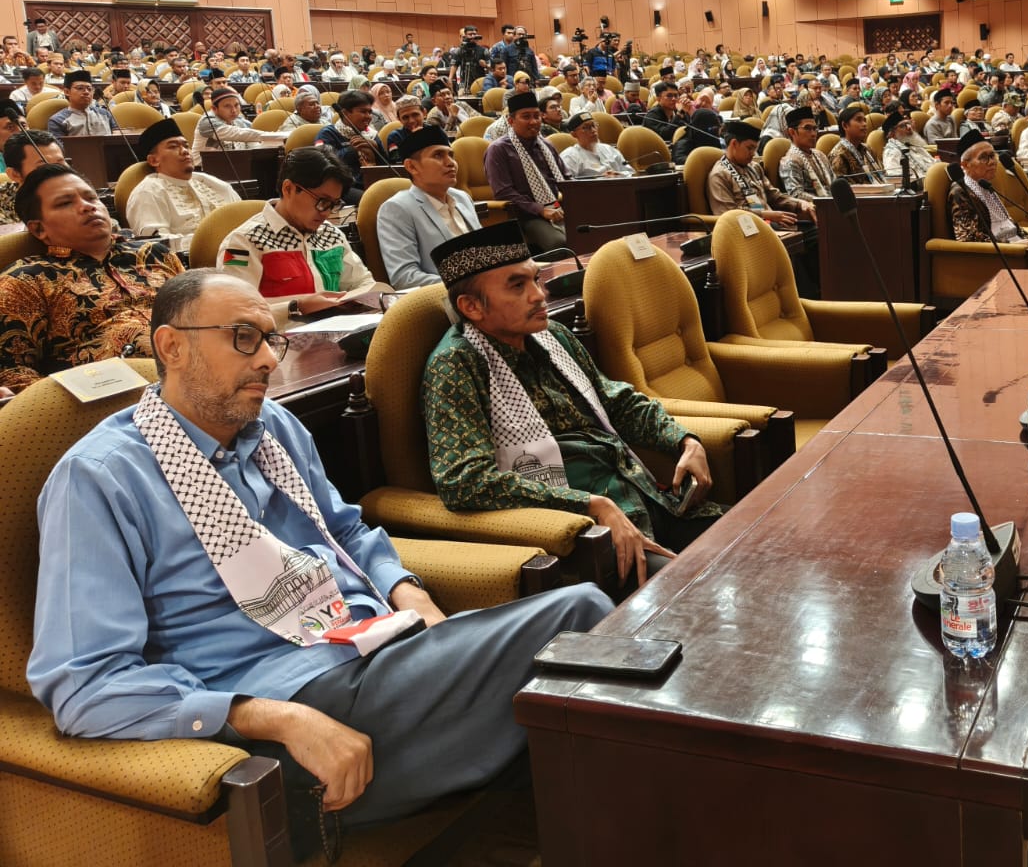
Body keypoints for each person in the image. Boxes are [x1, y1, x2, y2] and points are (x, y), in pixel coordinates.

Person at [27, 269, 610, 857]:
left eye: (270, 339)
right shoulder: (100, 478)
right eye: (243, 338)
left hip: (372, 645)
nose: (267, 361)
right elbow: (85, 685)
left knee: (562, 699)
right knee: (578, 619)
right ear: (171, 346)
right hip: (286, 695)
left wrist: (412, 595)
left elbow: (344, 531)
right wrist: (278, 720)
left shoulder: (272, 426)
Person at [422, 224, 725, 588]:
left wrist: (684, 440)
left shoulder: (553, 335)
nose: (539, 295)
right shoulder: (457, 364)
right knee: (694, 588)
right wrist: (587, 505)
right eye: (517, 286)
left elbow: (616, 402)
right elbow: (464, 481)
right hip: (582, 537)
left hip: (642, 495)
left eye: (536, 280)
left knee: (752, 542)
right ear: (471, 306)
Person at [0, 165, 183, 392]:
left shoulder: (155, 254)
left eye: (91, 198)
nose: (87, 206)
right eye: (65, 203)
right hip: (110, 398)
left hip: (198, 368)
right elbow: (12, 373)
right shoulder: (25, 281)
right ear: (39, 229)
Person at [217, 147, 378, 327]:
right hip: (277, 341)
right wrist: (296, 307)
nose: (327, 213)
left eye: (334, 204)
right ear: (288, 189)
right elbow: (236, 314)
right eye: (322, 202)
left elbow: (363, 283)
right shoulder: (245, 242)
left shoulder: (331, 234)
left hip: (338, 335)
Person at [375, 126, 482, 289]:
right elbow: (404, 277)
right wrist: (468, 285)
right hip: (446, 296)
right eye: (438, 155)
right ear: (412, 167)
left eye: (451, 155)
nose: (450, 163)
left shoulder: (462, 198)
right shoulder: (397, 209)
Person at [125, 118, 241, 253]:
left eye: (186, 146)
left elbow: (245, 218)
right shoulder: (148, 192)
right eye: (173, 146)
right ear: (154, 160)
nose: (185, 151)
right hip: (192, 263)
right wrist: (209, 242)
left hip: (237, 256)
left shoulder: (210, 182)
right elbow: (156, 245)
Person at [484, 89, 568, 252]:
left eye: (536, 116)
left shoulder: (546, 145)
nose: (533, 121)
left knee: (594, 229)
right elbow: (504, 192)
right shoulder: (498, 149)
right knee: (560, 243)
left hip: (557, 206)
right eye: (526, 117)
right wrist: (540, 210)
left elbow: (566, 178)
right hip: (524, 215)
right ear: (511, 121)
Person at [951, 130, 1028, 247]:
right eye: (983, 158)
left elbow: (1011, 226)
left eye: (992, 156)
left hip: (1022, 248)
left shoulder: (986, 185)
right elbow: (969, 239)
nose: (992, 162)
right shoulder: (961, 192)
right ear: (965, 165)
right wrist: (1013, 245)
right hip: (1006, 253)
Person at [708, 121, 813, 225]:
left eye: (755, 149)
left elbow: (774, 196)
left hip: (772, 224)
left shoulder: (754, 167)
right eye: (749, 148)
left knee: (816, 226)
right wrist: (765, 215)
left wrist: (800, 203)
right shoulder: (720, 175)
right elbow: (728, 216)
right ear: (734, 144)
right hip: (747, 229)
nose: (753, 154)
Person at [316, 90, 390, 192]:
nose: (368, 117)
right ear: (345, 113)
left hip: (375, 184)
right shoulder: (328, 133)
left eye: (369, 112)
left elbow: (388, 168)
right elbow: (324, 165)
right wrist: (352, 150)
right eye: (363, 112)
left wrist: (377, 149)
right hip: (344, 187)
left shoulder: (371, 135)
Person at [194, 89, 274, 170]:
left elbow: (253, 146)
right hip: (205, 170)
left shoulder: (239, 120)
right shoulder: (207, 121)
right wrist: (271, 136)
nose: (234, 110)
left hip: (235, 166)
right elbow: (238, 134)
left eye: (236, 105)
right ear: (214, 108)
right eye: (227, 106)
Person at [0, 129, 66, 223]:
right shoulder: (3, 202)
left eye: (60, 164)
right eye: (43, 167)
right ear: (15, 174)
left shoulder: (80, 194)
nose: (56, 172)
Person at [778, 106, 836, 198]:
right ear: (792, 132)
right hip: (815, 205)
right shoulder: (790, 161)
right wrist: (826, 201)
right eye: (807, 128)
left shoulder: (821, 155)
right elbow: (796, 195)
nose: (813, 134)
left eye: (815, 128)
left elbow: (835, 183)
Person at [559, 111, 632, 178]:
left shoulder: (609, 149)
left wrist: (619, 175)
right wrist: (600, 179)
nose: (593, 130)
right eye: (586, 128)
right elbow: (568, 183)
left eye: (594, 125)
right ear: (574, 134)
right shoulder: (570, 156)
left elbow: (630, 172)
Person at [48, 70, 118, 137]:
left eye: (89, 89)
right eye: (80, 88)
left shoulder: (105, 114)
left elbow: (117, 137)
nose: (86, 92)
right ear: (67, 92)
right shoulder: (58, 120)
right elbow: (59, 145)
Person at [829, 104, 887, 183]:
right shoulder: (839, 155)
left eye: (864, 120)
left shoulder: (867, 149)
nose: (864, 124)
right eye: (859, 120)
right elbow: (843, 187)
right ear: (845, 125)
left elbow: (883, 174)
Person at [880, 109, 937, 186]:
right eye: (902, 126)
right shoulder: (892, 151)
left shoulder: (914, 144)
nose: (909, 128)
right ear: (892, 134)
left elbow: (933, 163)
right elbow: (895, 178)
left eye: (908, 124)